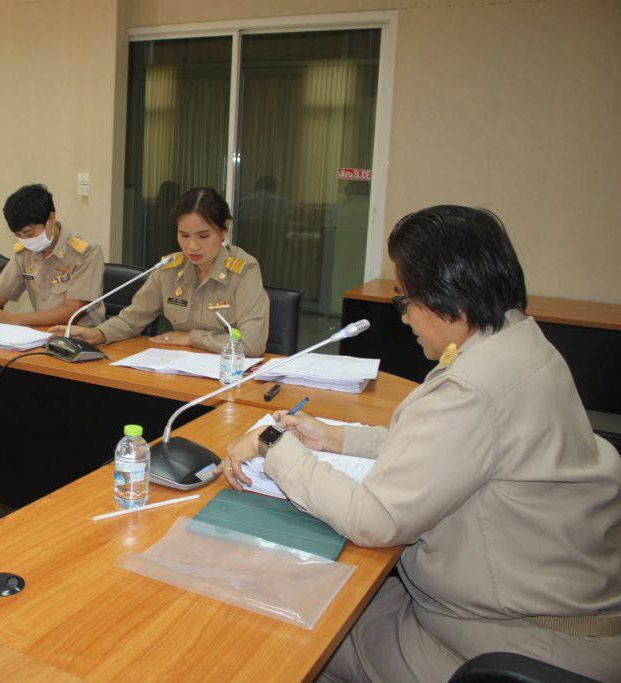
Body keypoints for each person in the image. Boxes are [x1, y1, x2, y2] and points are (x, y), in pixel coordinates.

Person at [221, 205, 621, 681]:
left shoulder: (472, 387)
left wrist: (271, 442)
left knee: (288, 633)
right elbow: (451, 449)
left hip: (508, 639)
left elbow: (374, 520)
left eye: (406, 299)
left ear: (450, 296)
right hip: (536, 610)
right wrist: (335, 437)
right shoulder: (520, 343)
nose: (405, 316)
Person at [51, 186, 269, 356]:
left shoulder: (244, 270)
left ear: (225, 229)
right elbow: (132, 319)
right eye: (184, 235)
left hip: (227, 374)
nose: (192, 246)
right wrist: (99, 333)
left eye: (203, 236)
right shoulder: (170, 269)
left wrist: (192, 338)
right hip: (177, 369)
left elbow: (251, 344)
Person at [0, 184, 105, 327]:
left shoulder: (85, 253)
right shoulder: (25, 252)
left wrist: (12, 318)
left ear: (51, 219)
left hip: (81, 336)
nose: (25, 240)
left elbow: (73, 311)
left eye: (29, 233)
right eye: (18, 235)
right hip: (41, 333)